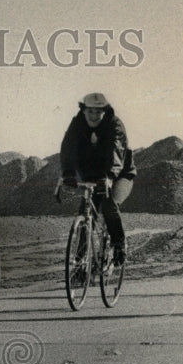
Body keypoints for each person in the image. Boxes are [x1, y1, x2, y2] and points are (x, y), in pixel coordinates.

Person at [55, 92, 136, 265]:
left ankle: (120, 244)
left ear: (105, 111)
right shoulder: (77, 124)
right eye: (90, 111)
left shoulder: (115, 125)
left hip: (120, 174)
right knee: (85, 213)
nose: (94, 116)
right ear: (83, 110)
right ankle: (80, 263)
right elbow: (67, 148)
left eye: (98, 112)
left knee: (108, 204)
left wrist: (109, 176)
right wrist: (68, 173)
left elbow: (116, 153)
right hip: (93, 176)